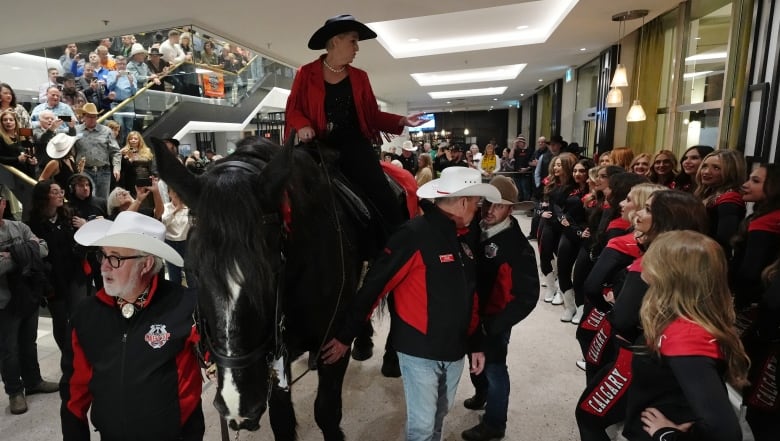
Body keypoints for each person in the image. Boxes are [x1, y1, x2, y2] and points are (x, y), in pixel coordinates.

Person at [321, 167, 500, 441]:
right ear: (463, 202)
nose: (478, 210)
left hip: (455, 352)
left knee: (440, 415)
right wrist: (347, 335)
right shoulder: (413, 235)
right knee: (422, 427)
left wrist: (475, 344)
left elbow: (470, 296)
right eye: (477, 203)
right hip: (419, 354)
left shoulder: (463, 239)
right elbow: (375, 285)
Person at [62, 211, 204, 440]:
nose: (104, 267)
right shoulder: (87, 315)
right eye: (103, 256)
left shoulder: (185, 305)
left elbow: (220, 354)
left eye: (115, 258)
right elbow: (74, 389)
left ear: (146, 264)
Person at [285, 14, 426, 239]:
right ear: (335, 41)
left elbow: (371, 115)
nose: (357, 48)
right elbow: (293, 109)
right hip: (316, 146)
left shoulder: (360, 77)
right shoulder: (306, 73)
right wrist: (302, 125)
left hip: (354, 145)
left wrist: (402, 121)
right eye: (353, 41)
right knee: (286, 189)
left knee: (382, 194)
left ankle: (394, 246)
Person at [621, 230, 749, 441]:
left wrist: (667, 435)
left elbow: (726, 433)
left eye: (653, 257)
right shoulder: (679, 318)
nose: (644, 262)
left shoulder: (685, 335)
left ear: (672, 273)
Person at [462, 175, 539, 441]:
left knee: (495, 368)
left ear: (510, 209)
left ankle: (495, 423)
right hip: (474, 315)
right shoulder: (477, 229)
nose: (490, 210)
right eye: (487, 203)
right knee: (475, 360)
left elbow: (527, 297)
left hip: (494, 320)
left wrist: (494, 325)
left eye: (498, 205)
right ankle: (481, 393)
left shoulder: (517, 247)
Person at [0, 191, 58, 415]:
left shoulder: (18, 227)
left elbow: (42, 248)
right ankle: (15, 392)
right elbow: (33, 251)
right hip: (4, 303)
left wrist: (10, 255)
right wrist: (26, 252)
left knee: (28, 342)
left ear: (3, 203)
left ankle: (34, 382)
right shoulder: (23, 233)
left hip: (28, 295)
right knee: (8, 349)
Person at [27, 180, 86, 351]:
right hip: (52, 280)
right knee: (60, 321)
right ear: (44, 196)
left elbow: (85, 243)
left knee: (79, 317)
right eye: (55, 192)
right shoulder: (33, 225)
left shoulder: (70, 216)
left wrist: (85, 227)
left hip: (75, 275)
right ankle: (67, 358)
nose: (60, 195)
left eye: (61, 191)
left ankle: (81, 356)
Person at [694, 149, 746, 256]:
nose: (706, 171)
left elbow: (724, 241)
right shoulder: (707, 192)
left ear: (731, 172)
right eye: (704, 166)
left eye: (716, 168)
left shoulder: (730, 199)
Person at [73, 102, 121, 201]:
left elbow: (115, 151)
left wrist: (116, 168)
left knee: (103, 200)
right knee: (88, 198)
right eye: (89, 116)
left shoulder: (106, 131)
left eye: (94, 116)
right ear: (83, 117)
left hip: (104, 171)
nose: (92, 119)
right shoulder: (75, 131)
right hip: (85, 171)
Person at [160, 186, 191, 286]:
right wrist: (176, 210)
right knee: (174, 275)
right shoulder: (165, 207)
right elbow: (163, 224)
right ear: (169, 194)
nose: (177, 193)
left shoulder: (189, 208)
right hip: (170, 243)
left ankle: (194, 297)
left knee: (191, 274)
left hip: (187, 243)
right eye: (173, 191)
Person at [0, 109, 38, 178]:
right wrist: (17, 159)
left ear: (15, 122)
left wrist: (31, 160)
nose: (8, 122)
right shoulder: (1, 137)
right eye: (5, 120)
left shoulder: (23, 132)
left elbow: (31, 150)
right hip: (11, 175)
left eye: (11, 120)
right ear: (1, 123)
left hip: (27, 171)